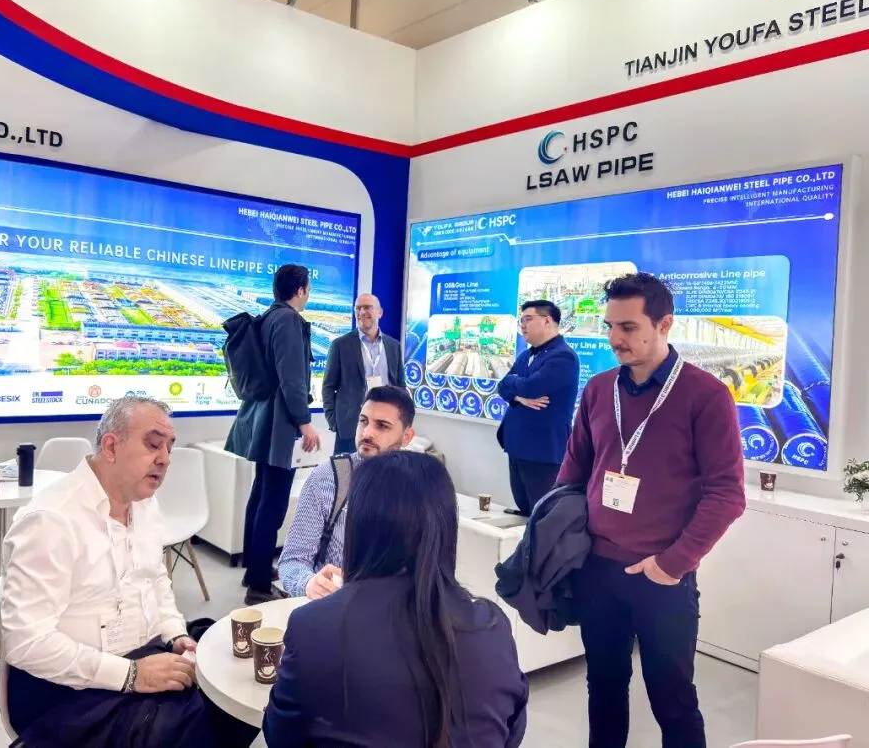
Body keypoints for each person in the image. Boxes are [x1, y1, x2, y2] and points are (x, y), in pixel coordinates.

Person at [1, 397, 257, 748]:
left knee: (237, 675)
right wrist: (132, 675)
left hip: (144, 653)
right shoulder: (52, 519)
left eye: (169, 447)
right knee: (209, 719)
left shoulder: (145, 504)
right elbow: (26, 643)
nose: (165, 458)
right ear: (111, 447)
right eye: (153, 444)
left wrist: (175, 635)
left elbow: (155, 580)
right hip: (69, 690)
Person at [556, 273, 746, 748]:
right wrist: (556, 541)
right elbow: (573, 473)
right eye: (610, 326)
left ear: (664, 325)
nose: (614, 339)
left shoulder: (706, 395)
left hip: (661, 577)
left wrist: (672, 564)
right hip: (597, 568)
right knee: (603, 687)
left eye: (628, 327)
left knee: (673, 700)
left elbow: (727, 493)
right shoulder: (598, 390)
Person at [262, 450, 529, 747]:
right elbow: (511, 731)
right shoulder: (492, 628)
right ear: (446, 528)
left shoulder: (312, 627)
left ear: (359, 527)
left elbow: (280, 735)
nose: (367, 434)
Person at [225, 263, 321, 605]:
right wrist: (304, 421)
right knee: (273, 502)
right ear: (301, 290)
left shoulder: (267, 318)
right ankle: (259, 587)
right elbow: (292, 378)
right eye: (307, 289)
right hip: (280, 425)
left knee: (261, 495)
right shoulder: (289, 321)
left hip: (261, 421)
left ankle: (256, 569)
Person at [278, 385, 416, 599]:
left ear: (407, 436)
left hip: (393, 608)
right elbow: (292, 561)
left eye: (382, 426)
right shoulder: (329, 477)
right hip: (333, 605)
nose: (367, 433)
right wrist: (308, 584)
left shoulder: (415, 487)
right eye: (363, 421)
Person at [496, 299, 580, 515]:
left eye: (528, 319)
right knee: (524, 507)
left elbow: (532, 387)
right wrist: (519, 397)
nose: (522, 325)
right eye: (521, 320)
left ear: (547, 321)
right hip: (517, 446)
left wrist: (516, 386)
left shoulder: (563, 356)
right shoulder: (527, 355)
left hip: (542, 450)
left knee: (543, 512)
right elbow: (502, 386)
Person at [322, 293, 404, 455]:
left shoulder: (393, 346)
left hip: (386, 427)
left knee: (382, 470)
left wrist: (400, 419)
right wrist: (334, 421)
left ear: (380, 312)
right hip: (350, 428)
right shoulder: (340, 345)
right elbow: (328, 387)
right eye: (358, 308)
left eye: (367, 307)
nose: (361, 312)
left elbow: (400, 386)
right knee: (347, 470)